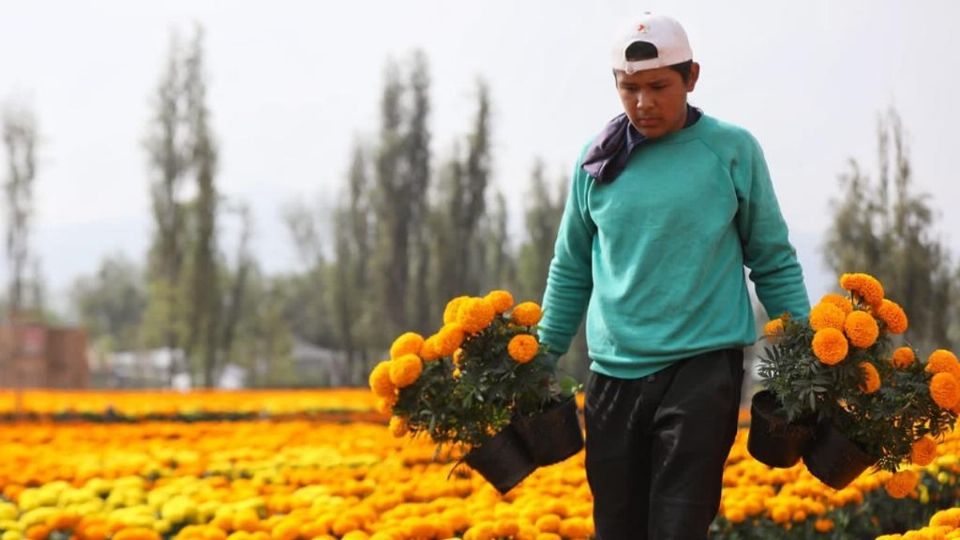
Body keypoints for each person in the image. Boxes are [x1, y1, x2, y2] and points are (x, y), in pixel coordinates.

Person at [537, 12, 811, 540]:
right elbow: (571, 267)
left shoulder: (731, 151)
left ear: (692, 77)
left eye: (659, 86)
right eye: (630, 88)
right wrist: (539, 358)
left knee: (678, 526)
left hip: (702, 370)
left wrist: (810, 353)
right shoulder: (596, 164)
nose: (644, 103)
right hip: (613, 373)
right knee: (617, 528)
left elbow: (772, 259)